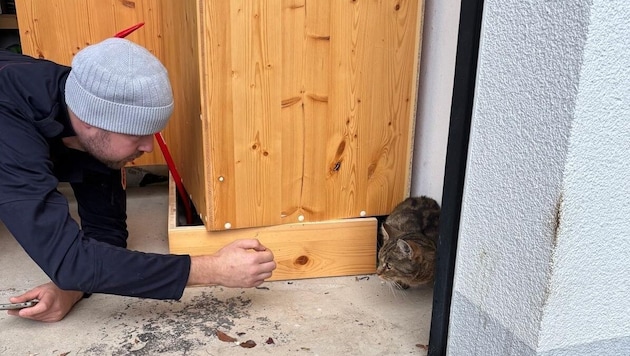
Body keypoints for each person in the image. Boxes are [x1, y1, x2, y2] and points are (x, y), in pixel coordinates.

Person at [0, 38, 277, 322]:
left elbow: (105, 236)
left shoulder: (91, 104)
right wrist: (212, 269)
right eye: (136, 135)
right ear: (89, 122)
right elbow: (73, 261)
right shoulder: (10, 129)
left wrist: (70, 290)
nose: (148, 147)